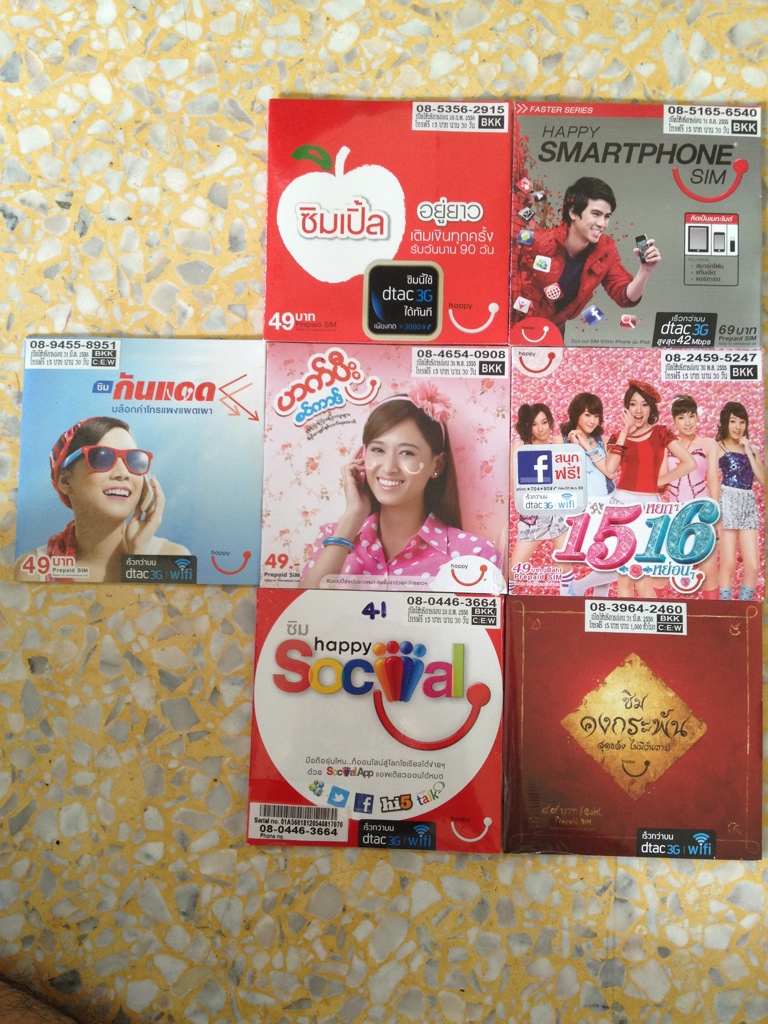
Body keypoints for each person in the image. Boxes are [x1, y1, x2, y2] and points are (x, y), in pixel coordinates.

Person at [299, 385, 502, 587]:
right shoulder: (333, 536)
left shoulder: (475, 555)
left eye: (407, 453)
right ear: (362, 455)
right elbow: (302, 606)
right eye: (378, 450)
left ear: (437, 465)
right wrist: (353, 515)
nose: (389, 468)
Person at [15, 416, 188, 583]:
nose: (123, 473)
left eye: (134, 460)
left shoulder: (174, 558)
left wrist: (139, 558)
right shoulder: (33, 570)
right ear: (65, 481)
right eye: (102, 458)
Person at [514, 176, 661, 327]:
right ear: (573, 212)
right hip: (516, 323)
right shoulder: (537, 242)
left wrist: (645, 270)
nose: (602, 224)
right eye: (596, 214)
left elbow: (624, 296)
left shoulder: (606, 250)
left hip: (554, 327)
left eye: (607, 216)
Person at [604, 380, 696, 598]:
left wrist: (660, 480)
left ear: (651, 408)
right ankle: (625, 621)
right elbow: (610, 470)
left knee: (644, 577)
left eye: (644, 404)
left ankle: (649, 621)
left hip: (651, 508)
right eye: (633, 404)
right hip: (622, 505)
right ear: (626, 408)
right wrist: (625, 432)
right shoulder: (618, 437)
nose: (638, 410)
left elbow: (689, 462)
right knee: (624, 577)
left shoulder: (660, 432)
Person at [557, 391, 615, 596]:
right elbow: (560, 477)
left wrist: (586, 445)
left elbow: (610, 472)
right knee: (591, 559)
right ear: (576, 414)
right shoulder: (561, 440)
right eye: (587, 415)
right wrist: (575, 448)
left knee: (611, 560)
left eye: (596, 416)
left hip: (606, 505)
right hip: (578, 509)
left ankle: (590, 597)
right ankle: (573, 591)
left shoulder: (603, 440)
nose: (592, 420)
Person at [664, 394, 720, 599]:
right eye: (681, 417)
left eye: (691, 416)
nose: (687, 422)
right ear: (674, 420)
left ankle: (713, 618)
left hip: (702, 514)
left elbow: (713, 480)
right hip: (674, 515)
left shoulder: (708, 444)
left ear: (697, 417)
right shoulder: (667, 445)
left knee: (708, 572)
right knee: (664, 576)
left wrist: (716, 517)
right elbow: (660, 479)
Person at [510, 402, 568, 593]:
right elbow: (514, 483)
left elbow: (567, 479)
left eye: (544, 422)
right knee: (515, 569)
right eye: (535, 424)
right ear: (529, 426)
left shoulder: (557, 445)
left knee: (565, 566)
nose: (541, 429)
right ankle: (505, 596)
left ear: (550, 422)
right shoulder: (521, 446)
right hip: (533, 514)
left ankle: (567, 602)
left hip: (558, 511)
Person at [713, 401, 764, 601]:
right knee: (728, 564)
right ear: (725, 422)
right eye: (733, 421)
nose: (738, 426)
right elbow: (711, 480)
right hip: (727, 501)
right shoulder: (717, 446)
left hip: (748, 503)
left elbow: (763, 481)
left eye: (742, 422)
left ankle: (743, 610)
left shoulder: (753, 449)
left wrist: (749, 450)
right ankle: (726, 611)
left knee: (753, 566)